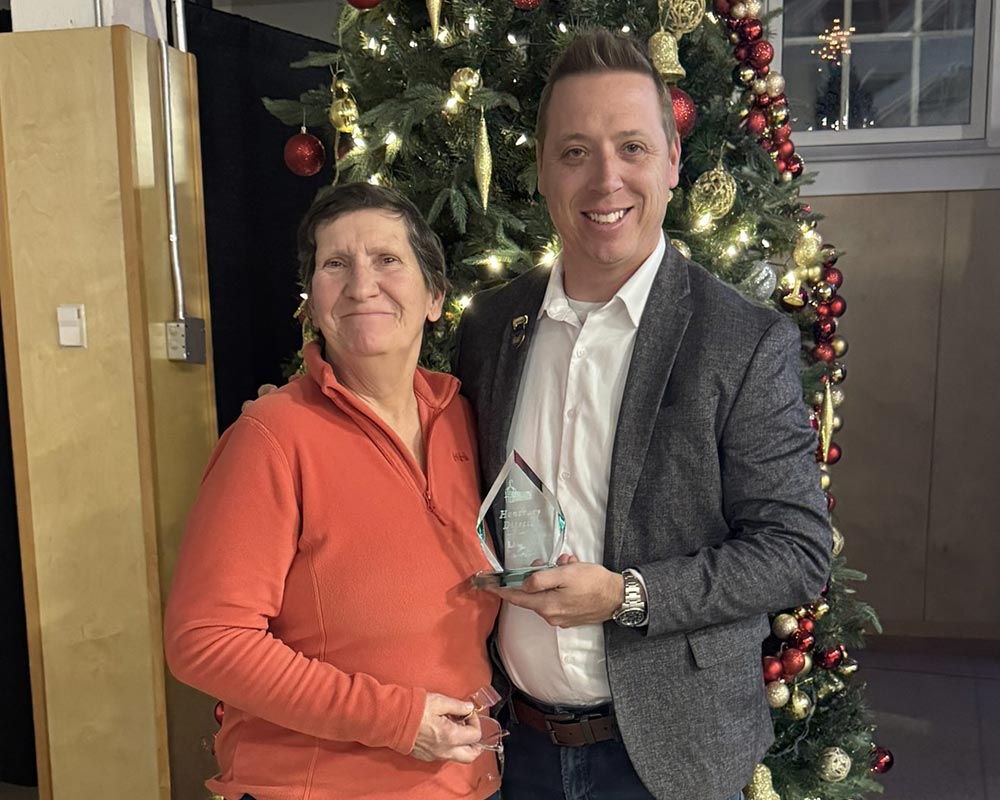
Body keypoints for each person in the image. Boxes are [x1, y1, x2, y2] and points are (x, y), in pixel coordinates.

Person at [452, 29, 832, 800]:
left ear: (671, 162)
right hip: (512, 748)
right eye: (575, 152)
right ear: (542, 169)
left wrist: (627, 595)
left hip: (668, 759)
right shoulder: (490, 327)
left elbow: (796, 552)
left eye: (631, 147)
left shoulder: (740, 340)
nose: (606, 179)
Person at [164, 182, 502, 800]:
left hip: (465, 781)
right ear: (312, 303)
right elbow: (206, 641)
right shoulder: (271, 436)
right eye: (335, 264)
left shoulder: (463, 417)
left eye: (387, 259)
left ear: (435, 296)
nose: (361, 285)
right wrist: (396, 720)